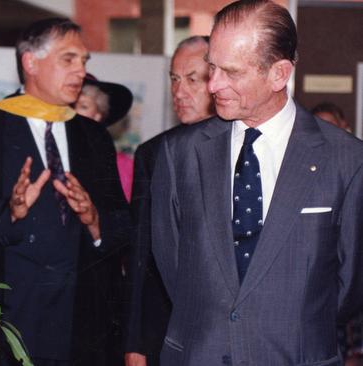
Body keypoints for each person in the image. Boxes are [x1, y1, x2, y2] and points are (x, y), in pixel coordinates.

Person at [148, 0, 363, 364]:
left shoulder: (346, 159)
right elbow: (174, 269)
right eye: (211, 67)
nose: (213, 84)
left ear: (279, 74)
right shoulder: (179, 154)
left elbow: (349, 288)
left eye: (230, 72)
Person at [0, 18, 129, 366]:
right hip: (6, 320)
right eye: (68, 59)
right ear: (30, 62)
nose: (80, 70)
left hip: (80, 323)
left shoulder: (93, 137)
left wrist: (95, 221)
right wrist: (11, 214)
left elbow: (123, 225)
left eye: (84, 61)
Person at [124, 35, 213, 366]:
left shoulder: (247, 148)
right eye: (174, 79)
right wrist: (134, 342)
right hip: (166, 331)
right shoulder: (154, 153)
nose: (179, 91)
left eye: (192, 79)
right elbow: (139, 255)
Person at [75, 73, 134, 200]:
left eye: (83, 106)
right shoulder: (53, 154)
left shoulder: (122, 165)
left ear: (98, 115)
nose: (74, 112)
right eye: (70, 106)